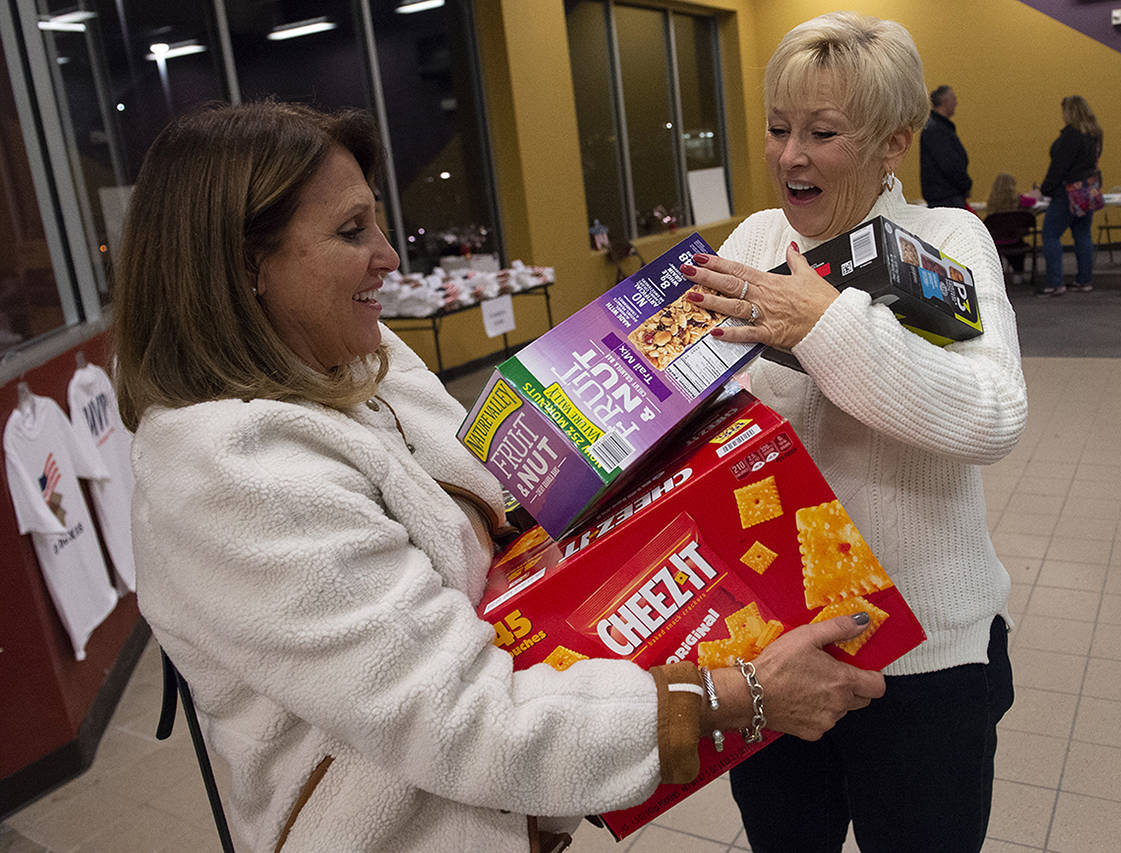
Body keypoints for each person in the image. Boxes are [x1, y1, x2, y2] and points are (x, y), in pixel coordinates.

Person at [112, 100, 887, 852]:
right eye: (352, 232)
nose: (390, 256)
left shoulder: (358, 360)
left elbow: (486, 500)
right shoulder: (240, 477)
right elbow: (466, 718)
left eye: (378, 220)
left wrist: (628, 445)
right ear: (248, 267)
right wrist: (740, 694)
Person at [678, 13, 1025, 853]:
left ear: (894, 142)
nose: (790, 155)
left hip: (922, 658)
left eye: (823, 133)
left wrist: (821, 325)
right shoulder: (761, 239)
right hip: (779, 650)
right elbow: (700, 403)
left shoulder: (946, 243)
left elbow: (993, 412)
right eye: (777, 128)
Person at [1033, 95, 1103, 296]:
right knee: (1082, 234)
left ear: (1069, 112)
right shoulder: (1094, 134)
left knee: (1050, 234)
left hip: (1067, 194)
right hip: (1087, 192)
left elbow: (1059, 167)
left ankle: (1056, 282)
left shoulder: (1070, 136)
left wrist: (1045, 189)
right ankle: (1085, 280)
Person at [919, 84, 972, 208]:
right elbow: (949, 164)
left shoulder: (937, 127)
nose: (956, 103)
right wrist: (965, 184)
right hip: (946, 197)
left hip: (946, 195)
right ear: (945, 101)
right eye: (953, 98)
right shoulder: (937, 129)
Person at [985, 172, 1037, 284]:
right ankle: (1018, 273)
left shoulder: (991, 202)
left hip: (996, 241)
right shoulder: (1019, 199)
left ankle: (997, 276)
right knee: (1017, 246)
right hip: (1014, 238)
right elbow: (1033, 201)